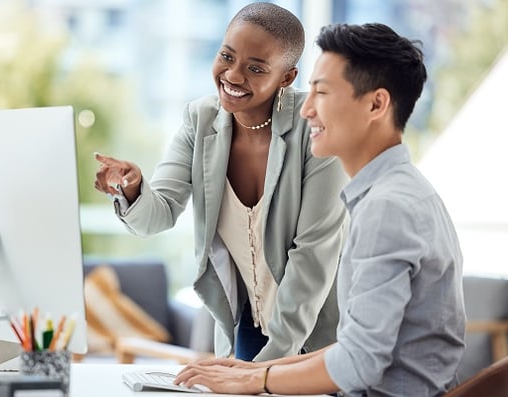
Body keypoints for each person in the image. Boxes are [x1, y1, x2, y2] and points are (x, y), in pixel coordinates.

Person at [174, 22, 466, 396]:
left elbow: (359, 364)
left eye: (322, 93)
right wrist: (251, 369)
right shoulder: (401, 191)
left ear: (376, 104)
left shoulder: (386, 210)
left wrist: (255, 378)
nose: (306, 109)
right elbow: (361, 346)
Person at [94, 2, 348, 362]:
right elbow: (159, 214)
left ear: (287, 78)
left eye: (255, 68)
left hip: (325, 328)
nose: (232, 75)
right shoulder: (200, 120)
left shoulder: (316, 128)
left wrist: (261, 371)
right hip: (246, 323)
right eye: (226, 56)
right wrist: (132, 189)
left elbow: (312, 257)